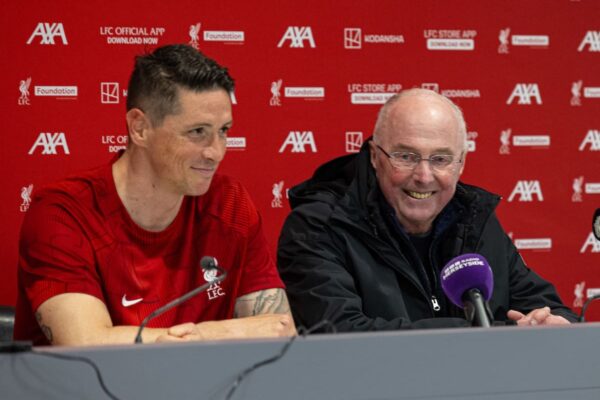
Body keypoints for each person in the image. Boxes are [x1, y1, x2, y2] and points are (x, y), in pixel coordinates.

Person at [14, 44, 295, 346]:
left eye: (223, 130)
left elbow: (279, 331)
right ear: (140, 128)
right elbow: (85, 346)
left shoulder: (230, 204)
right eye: (197, 131)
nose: (216, 152)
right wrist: (208, 335)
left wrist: (201, 336)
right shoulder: (63, 213)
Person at [277, 88, 577, 332]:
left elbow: (551, 309)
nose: (423, 176)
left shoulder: (475, 220)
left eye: (440, 159)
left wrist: (552, 324)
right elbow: (341, 335)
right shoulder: (318, 226)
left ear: (461, 163)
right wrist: (487, 333)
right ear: (374, 157)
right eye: (405, 156)